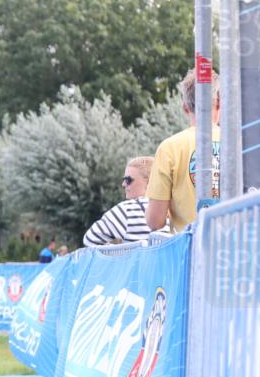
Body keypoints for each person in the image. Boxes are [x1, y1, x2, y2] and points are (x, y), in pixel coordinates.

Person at [146, 69, 221, 233]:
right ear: (219, 102)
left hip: (190, 250)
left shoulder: (169, 148)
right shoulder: (239, 144)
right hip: (237, 248)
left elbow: (154, 220)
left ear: (185, 107)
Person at [83, 156, 157, 247]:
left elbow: (90, 240)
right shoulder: (173, 209)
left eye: (128, 180)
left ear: (149, 182)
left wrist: (119, 253)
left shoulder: (128, 210)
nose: (123, 184)